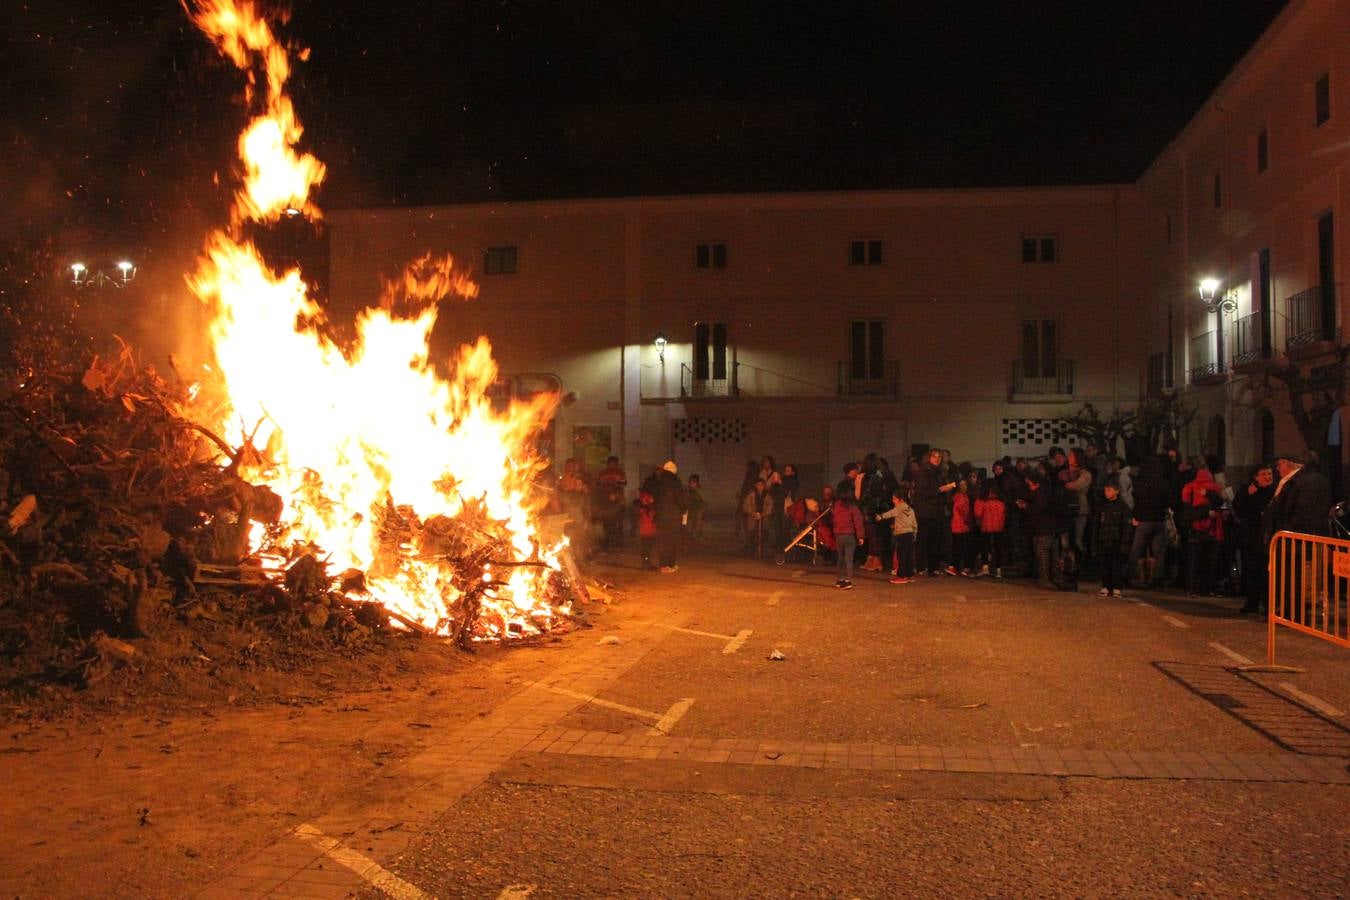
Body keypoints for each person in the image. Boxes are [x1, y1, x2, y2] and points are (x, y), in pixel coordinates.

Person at [1263, 450, 1333, 623]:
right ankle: (1300, 612)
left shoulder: (1297, 482)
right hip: (1315, 536)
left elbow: (1294, 509)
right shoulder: (1323, 481)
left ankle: (1292, 614)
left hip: (1294, 537)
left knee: (1293, 577)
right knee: (1307, 577)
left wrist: (1286, 528)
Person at [1122, 455, 1173, 591]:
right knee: (1158, 553)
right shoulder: (1162, 483)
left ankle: (1128, 576)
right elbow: (1168, 501)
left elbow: (1135, 499)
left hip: (1143, 519)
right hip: (1158, 519)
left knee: (1136, 549)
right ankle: (1157, 578)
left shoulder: (1140, 483)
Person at [1232, 464, 1274, 615]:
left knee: (1266, 571)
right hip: (1251, 536)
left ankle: (1268, 603)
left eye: (1269, 473)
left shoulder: (1274, 491)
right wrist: (1249, 495)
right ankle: (1252, 602)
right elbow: (1238, 507)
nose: (1268, 477)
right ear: (1255, 477)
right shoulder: (1247, 489)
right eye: (1264, 474)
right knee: (1252, 569)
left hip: (1267, 537)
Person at [1181, 462, 1225, 596]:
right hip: (1213, 529)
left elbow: (1187, 512)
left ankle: (1194, 588)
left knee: (1196, 561)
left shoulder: (1189, 488)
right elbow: (1220, 502)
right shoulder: (1216, 488)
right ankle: (1208, 588)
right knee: (1211, 561)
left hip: (1196, 528)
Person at [913, 449, 957, 576]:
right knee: (924, 539)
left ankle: (933, 567)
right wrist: (940, 490)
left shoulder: (941, 473)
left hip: (937, 511)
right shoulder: (923, 473)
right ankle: (921, 566)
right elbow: (922, 493)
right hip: (925, 511)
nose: (937, 458)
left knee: (936, 540)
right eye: (934, 456)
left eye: (939, 456)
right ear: (929, 458)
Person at [642, 460, 686, 573]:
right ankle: (670, 564)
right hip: (673, 516)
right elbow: (680, 499)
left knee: (662, 540)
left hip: (661, 515)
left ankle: (663, 565)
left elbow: (652, 497)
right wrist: (684, 509)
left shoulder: (658, 482)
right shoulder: (676, 481)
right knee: (672, 541)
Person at [1093, 481, 1131, 597]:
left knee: (1116, 564)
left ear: (1116, 491)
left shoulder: (1123, 507)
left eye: (1109, 490)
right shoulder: (1102, 506)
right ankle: (1105, 586)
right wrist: (1095, 541)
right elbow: (1096, 525)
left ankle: (1117, 587)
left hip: (1116, 540)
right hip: (1104, 538)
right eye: (1105, 490)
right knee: (1105, 563)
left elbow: (1126, 526)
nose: (1106, 493)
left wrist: (1125, 542)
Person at [877, 485, 918, 583]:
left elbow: (891, 513)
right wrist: (915, 534)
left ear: (900, 499)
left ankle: (902, 576)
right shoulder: (909, 508)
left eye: (894, 499)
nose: (893, 501)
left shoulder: (899, 507)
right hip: (910, 534)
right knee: (908, 555)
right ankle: (909, 575)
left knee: (901, 555)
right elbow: (914, 523)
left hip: (902, 534)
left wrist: (881, 516)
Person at [831, 482, 866, 589]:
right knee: (849, 559)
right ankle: (848, 580)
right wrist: (861, 536)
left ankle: (839, 579)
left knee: (840, 558)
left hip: (838, 535)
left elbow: (834, 519)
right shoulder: (853, 507)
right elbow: (858, 522)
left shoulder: (835, 506)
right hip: (850, 535)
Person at [557, 457, 591, 558]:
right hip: (566, 509)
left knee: (580, 533)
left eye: (572, 466)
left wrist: (587, 511)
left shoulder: (579, 478)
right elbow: (559, 492)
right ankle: (571, 554)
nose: (570, 468)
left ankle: (583, 554)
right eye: (568, 465)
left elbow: (584, 494)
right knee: (568, 532)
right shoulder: (562, 478)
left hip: (577, 507)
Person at [592, 456, 628, 551]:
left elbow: (624, 483)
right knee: (607, 522)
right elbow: (597, 484)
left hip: (617, 500)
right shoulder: (603, 473)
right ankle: (607, 542)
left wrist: (614, 487)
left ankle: (617, 543)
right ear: (608, 464)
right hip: (605, 501)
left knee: (617, 522)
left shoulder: (620, 472)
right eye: (610, 464)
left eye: (614, 464)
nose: (612, 466)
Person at [973, 481, 1007, 577]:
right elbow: (1004, 514)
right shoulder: (1001, 500)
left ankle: (985, 568)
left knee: (985, 547)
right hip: (999, 527)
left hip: (985, 526)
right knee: (998, 548)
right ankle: (998, 570)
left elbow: (977, 514)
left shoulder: (981, 500)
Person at [740, 477, 775, 557]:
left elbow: (770, 506)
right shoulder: (751, 495)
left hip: (764, 519)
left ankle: (761, 552)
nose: (760, 487)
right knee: (752, 535)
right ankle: (752, 552)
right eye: (758, 485)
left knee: (764, 535)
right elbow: (746, 505)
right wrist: (753, 513)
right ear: (755, 486)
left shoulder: (767, 496)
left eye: (762, 485)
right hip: (753, 518)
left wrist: (764, 514)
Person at [950, 478, 976, 576]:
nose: (963, 487)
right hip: (960, 525)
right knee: (961, 547)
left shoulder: (962, 497)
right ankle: (963, 567)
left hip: (961, 525)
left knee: (961, 547)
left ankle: (960, 566)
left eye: (964, 484)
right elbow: (963, 511)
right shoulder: (960, 497)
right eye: (961, 485)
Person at [634, 489, 657, 569]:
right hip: (647, 531)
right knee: (646, 548)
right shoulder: (646, 508)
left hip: (647, 530)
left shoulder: (645, 507)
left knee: (647, 548)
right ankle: (646, 563)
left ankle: (646, 563)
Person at [684, 474, 706, 542]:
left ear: (696, 483)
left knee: (696, 527)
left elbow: (703, 502)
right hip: (689, 512)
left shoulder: (699, 492)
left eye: (693, 482)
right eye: (690, 482)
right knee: (688, 526)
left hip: (697, 512)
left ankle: (695, 538)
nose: (691, 484)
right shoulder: (689, 491)